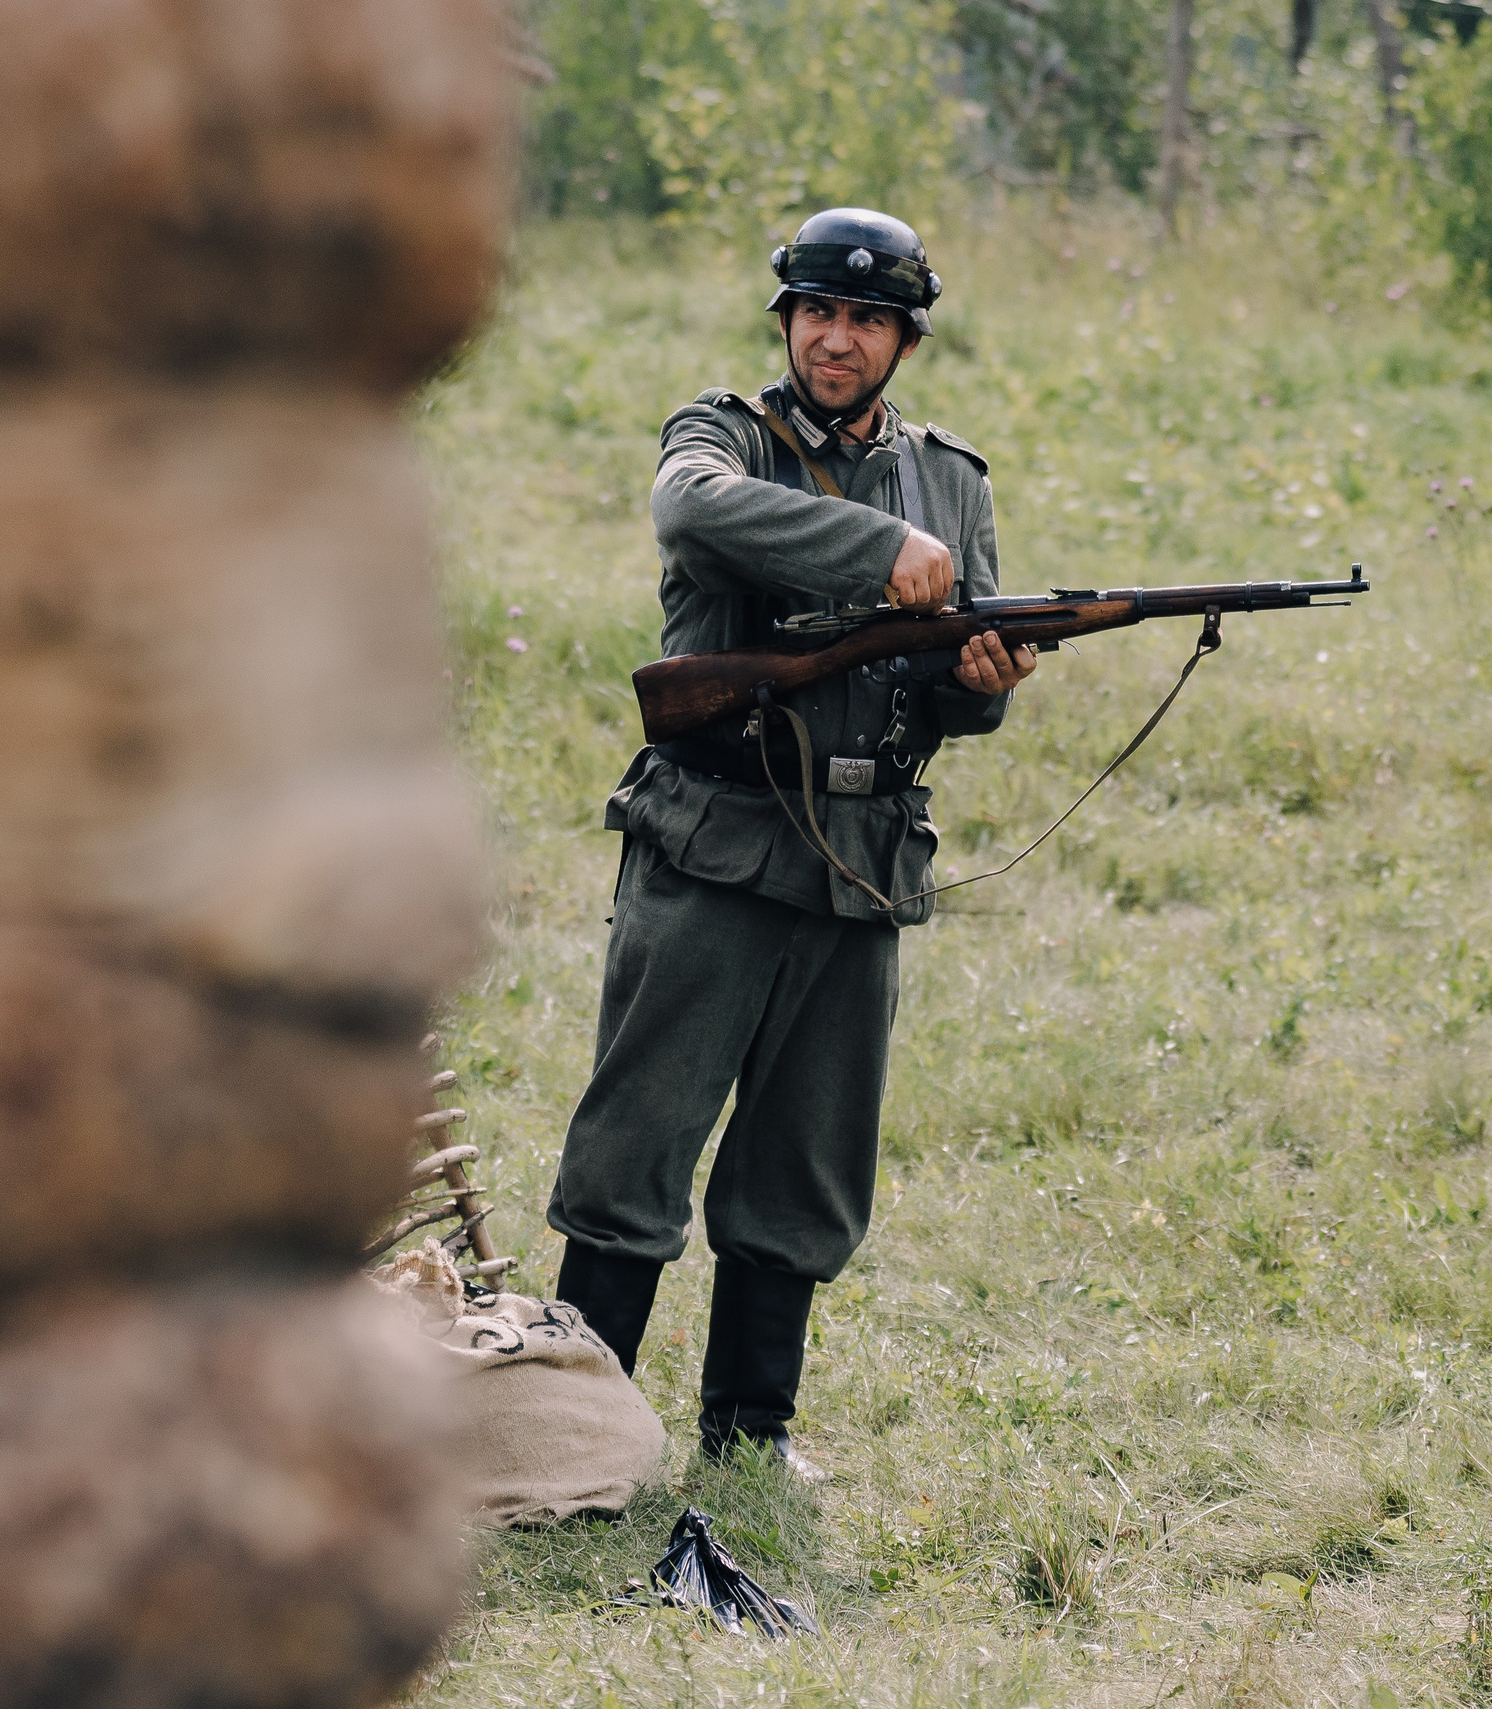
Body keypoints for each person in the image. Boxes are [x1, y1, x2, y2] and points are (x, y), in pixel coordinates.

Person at [545, 207, 1039, 1481]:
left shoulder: (954, 483)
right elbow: (692, 512)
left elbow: (947, 695)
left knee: (806, 1161)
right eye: (818, 313)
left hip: (860, 856)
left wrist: (982, 679)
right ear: (786, 324)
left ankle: (750, 1433)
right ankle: (576, 1428)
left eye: (867, 319)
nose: (837, 337)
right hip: (715, 836)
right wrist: (883, 554)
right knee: (635, 1144)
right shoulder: (722, 435)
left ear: (903, 342)